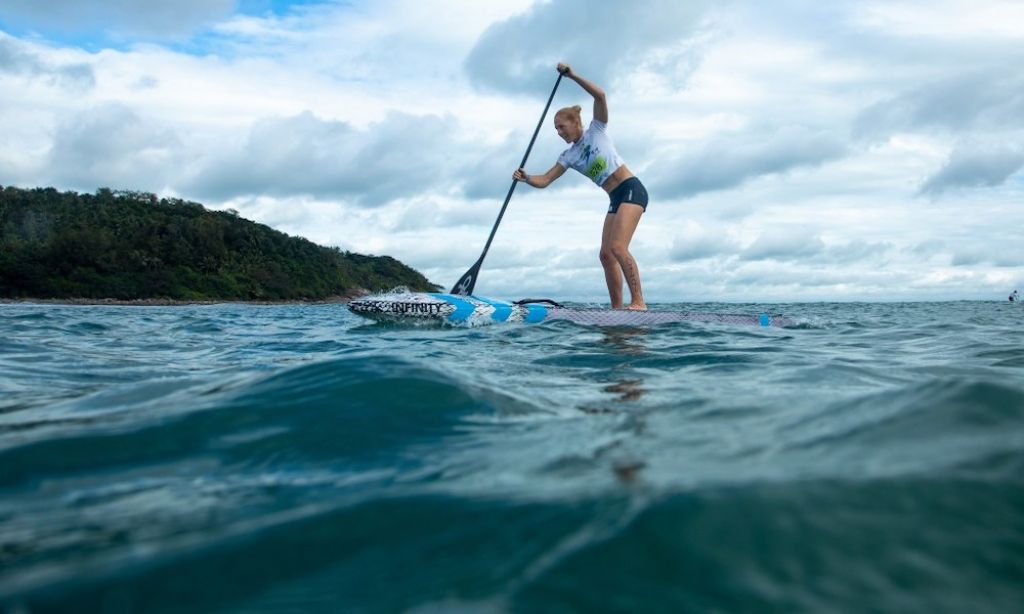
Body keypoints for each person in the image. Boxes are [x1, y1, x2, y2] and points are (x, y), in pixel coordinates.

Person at [513, 62, 648, 310]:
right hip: (614, 198)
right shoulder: (569, 156)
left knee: (618, 247)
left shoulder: (597, 130)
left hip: (631, 189)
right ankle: (617, 309)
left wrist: (573, 75)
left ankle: (639, 302)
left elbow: (601, 95)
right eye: (555, 129)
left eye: (561, 126)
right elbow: (545, 180)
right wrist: (527, 177)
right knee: (606, 254)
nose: (559, 132)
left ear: (576, 122)